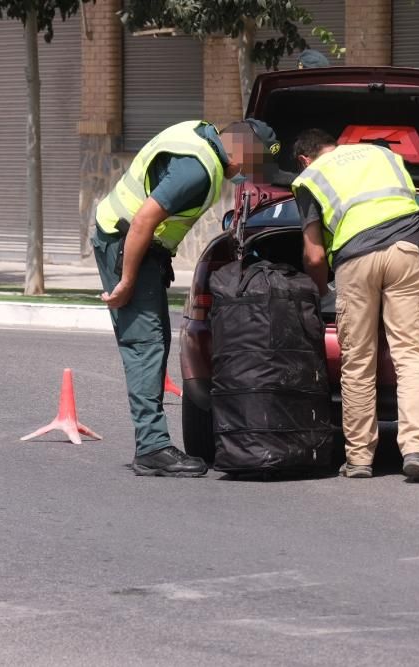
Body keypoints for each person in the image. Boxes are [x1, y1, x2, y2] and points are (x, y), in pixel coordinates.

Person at [93, 119, 281, 477]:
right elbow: (144, 220)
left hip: (138, 245)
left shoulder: (201, 137)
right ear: (241, 150)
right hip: (126, 243)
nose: (251, 174)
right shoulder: (198, 170)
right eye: (255, 164)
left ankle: (152, 444)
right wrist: (128, 280)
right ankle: (152, 449)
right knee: (145, 344)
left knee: (155, 340)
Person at [291, 129, 419, 482]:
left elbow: (313, 256)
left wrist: (320, 289)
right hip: (404, 249)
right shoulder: (382, 155)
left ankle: (359, 460)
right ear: (334, 146)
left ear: (304, 159)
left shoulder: (310, 178)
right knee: (410, 356)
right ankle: (416, 449)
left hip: (354, 261)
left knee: (358, 362)